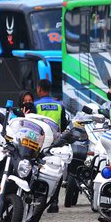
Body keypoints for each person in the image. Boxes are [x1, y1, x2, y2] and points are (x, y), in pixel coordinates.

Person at [34, 79, 67, 213]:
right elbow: (64, 125)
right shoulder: (59, 105)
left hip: (40, 142)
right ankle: (54, 202)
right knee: (56, 171)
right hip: (55, 143)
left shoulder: (35, 105)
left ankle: (38, 197)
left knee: (39, 170)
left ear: (39, 89)